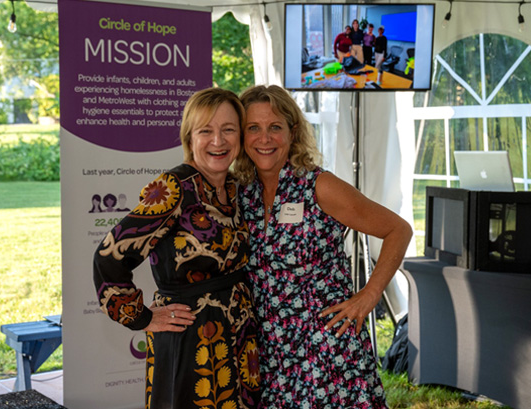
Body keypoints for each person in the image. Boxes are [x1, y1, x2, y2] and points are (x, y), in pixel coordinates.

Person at [234, 85, 412, 408]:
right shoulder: (241, 194)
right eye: (253, 128)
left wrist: (368, 297)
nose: (265, 138)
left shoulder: (317, 185)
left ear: (293, 131)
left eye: (275, 127)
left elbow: (397, 230)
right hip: (272, 354)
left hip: (328, 351)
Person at [93, 88, 261, 409]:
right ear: (189, 137)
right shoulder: (174, 189)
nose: (218, 141)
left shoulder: (233, 188)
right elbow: (108, 258)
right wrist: (141, 318)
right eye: (206, 131)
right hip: (190, 337)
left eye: (228, 129)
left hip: (239, 335)